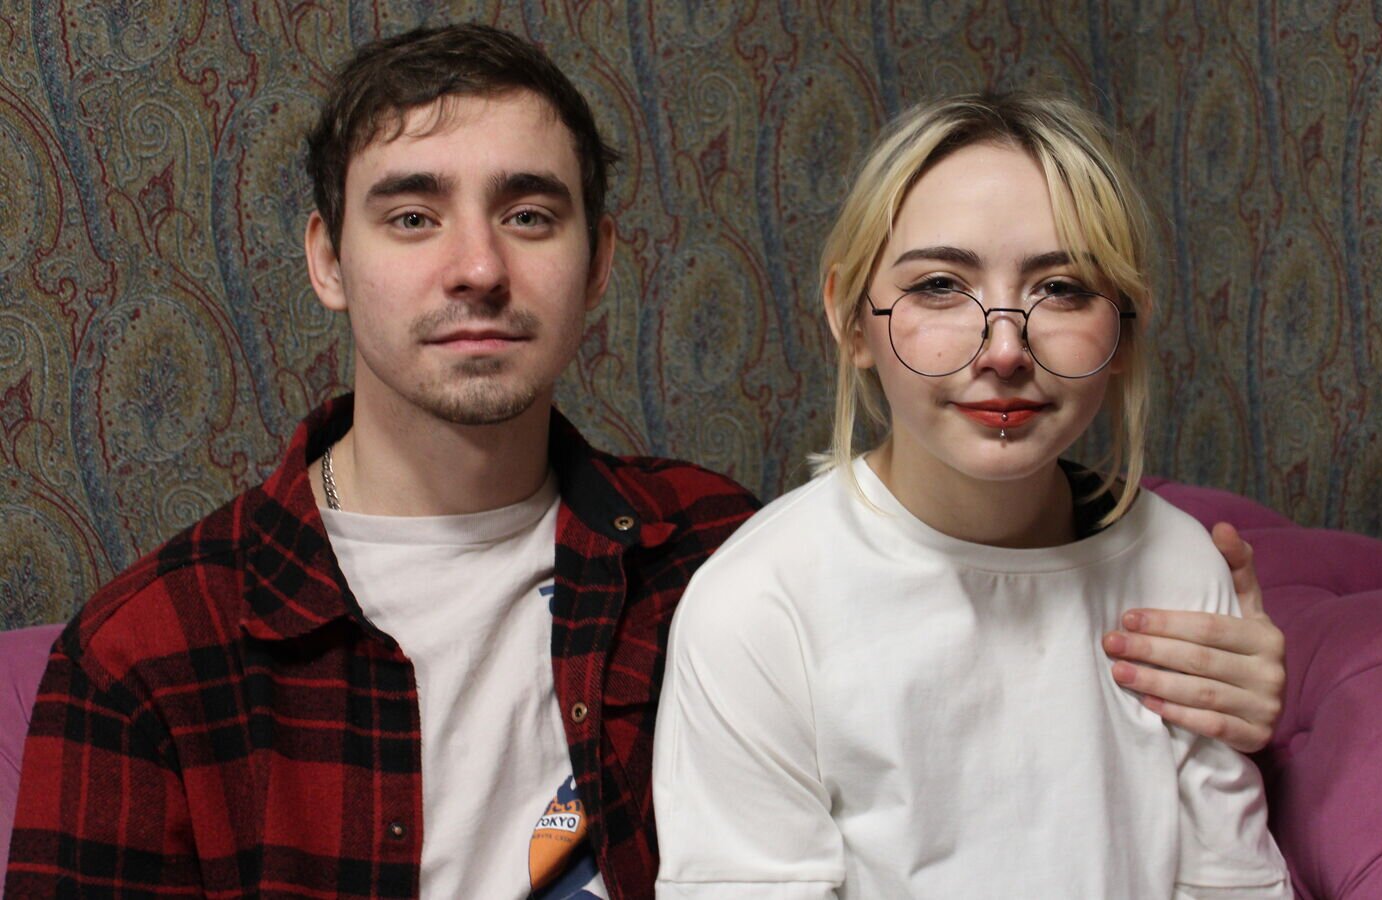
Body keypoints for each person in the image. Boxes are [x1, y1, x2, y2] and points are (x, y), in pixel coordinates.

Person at [7, 25, 1284, 900]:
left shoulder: (697, 544)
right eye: (411, 214)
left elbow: (953, 548)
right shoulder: (147, 656)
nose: (476, 266)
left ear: (598, 263)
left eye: (529, 213)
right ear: (327, 260)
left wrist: (1217, 631)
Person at [653, 93, 1292, 898]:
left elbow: (1231, 884)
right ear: (851, 320)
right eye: (939, 286)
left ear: (1126, 329)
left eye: (1061, 287)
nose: (1005, 349)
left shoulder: (1178, 568)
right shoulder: (758, 606)